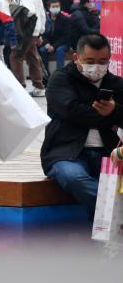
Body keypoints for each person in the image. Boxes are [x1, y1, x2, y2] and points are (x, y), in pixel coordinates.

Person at [41, 33, 123, 220]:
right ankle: (113, 216)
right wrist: (111, 116)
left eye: (103, 61)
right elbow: (72, 111)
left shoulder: (117, 84)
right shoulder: (60, 79)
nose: (96, 67)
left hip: (110, 153)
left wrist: (114, 110)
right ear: (76, 58)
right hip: (67, 153)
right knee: (74, 178)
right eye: (90, 61)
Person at [11, 0, 47, 96]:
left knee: (16, 56)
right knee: (32, 57)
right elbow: (41, 12)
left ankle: (20, 86)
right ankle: (39, 86)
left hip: (28, 30)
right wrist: (41, 30)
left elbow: (29, 11)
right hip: (35, 29)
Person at [39, 0, 71, 80]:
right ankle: (46, 75)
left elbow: (66, 36)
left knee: (60, 50)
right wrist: (47, 44)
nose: (56, 8)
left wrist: (54, 46)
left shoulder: (65, 19)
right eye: (53, 6)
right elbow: (42, 34)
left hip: (62, 43)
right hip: (48, 43)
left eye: (57, 6)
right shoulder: (45, 19)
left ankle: (59, 75)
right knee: (42, 50)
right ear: (49, 8)